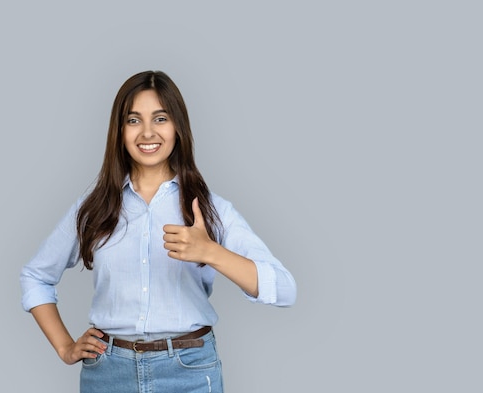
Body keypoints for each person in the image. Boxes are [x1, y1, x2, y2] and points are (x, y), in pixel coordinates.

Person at [20, 70, 297, 393]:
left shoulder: (210, 210)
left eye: (161, 118)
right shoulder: (94, 207)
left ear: (178, 127)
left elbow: (285, 290)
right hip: (108, 373)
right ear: (119, 131)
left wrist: (211, 252)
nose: (147, 132)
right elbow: (35, 276)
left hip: (189, 372)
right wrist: (65, 347)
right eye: (134, 120)